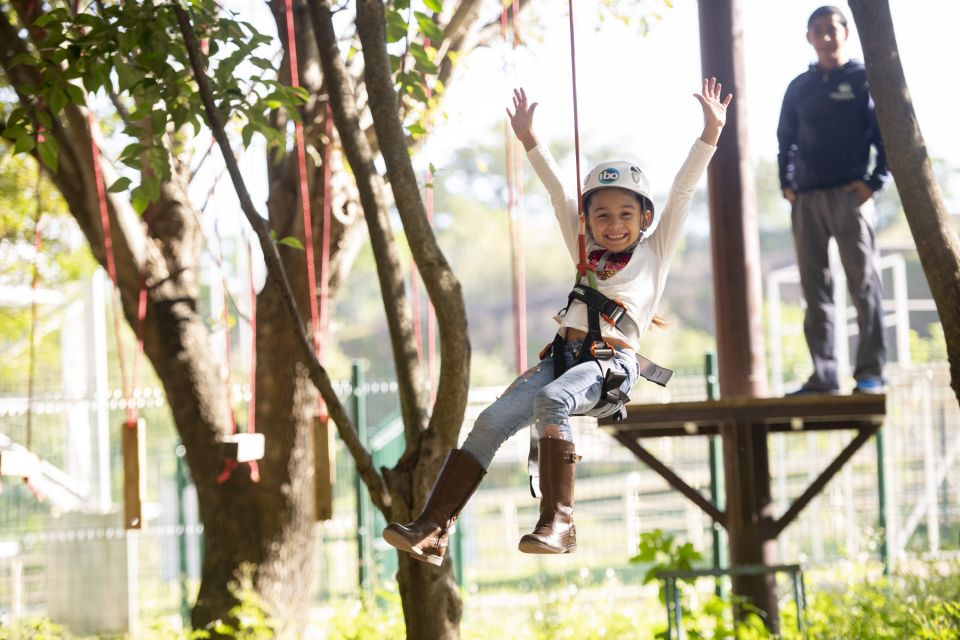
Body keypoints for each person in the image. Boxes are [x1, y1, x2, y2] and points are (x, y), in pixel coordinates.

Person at [382, 79, 731, 566]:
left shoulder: (655, 251)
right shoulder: (584, 248)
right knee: (490, 421)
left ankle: (559, 523)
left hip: (611, 365)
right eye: (602, 214)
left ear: (645, 218)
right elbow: (557, 191)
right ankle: (433, 530)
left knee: (552, 400)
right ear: (587, 221)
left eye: (626, 214)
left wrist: (710, 134)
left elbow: (684, 189)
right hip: (565, 361)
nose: (613, 224)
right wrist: (529, 139)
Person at [777, 5, 889, 395]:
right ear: (809, 37)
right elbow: (785, 139)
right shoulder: (799, 86)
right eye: (817, 31)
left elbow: (884, 135)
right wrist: (786, 184)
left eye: (831, 29)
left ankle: (870, 374)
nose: (825, 37)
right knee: (815, 290)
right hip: (806, 200)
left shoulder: (864, 80)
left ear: (845, 33)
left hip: (850, 197)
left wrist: (874, 182)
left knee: (864, 284)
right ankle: (823, 375)